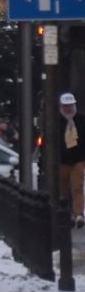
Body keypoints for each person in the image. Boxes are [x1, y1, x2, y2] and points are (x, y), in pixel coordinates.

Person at [60, 92, 85, 229]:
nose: (68, 108)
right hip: (62, 160)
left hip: (78, 160)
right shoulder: (57, 121)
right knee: (63, 188)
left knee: (77, 187)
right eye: (66, 106)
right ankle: (66, 212)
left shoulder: (81, 120)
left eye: (70, 105)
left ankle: (78, 214)